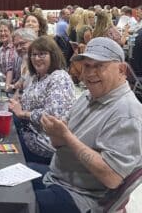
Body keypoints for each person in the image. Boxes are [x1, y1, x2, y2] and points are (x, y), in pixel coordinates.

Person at [31, 37, 142, 213]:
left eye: (99, 66)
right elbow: (59, 145)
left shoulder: (127, 113)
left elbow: (112, 177)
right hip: (56, 178)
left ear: (121, 69)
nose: (89, 74)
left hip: (81, 197)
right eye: (87, 66)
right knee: (4, 183)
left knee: (14, 203)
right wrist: (55, 133)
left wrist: (67, 136)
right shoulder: (88, 96)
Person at [9, 36, 75, 164]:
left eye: (42, 54)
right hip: (28, 134)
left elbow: (53, 117)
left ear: (53, 55)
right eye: (34, 55)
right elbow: (30, 101)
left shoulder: (59, 77)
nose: (36, 58)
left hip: (43, 144)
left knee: (3, 157)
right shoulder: (37, 77)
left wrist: (23, 114)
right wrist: (17, 104)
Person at [0, 19, 19, 89]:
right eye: (0, 31)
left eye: (5, 31)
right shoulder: (0, 50)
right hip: (4, 85)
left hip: (14, 88)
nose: (3, 33)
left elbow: (10, 69)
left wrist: (7, 88)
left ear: (11, 32)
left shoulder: (15, 48)